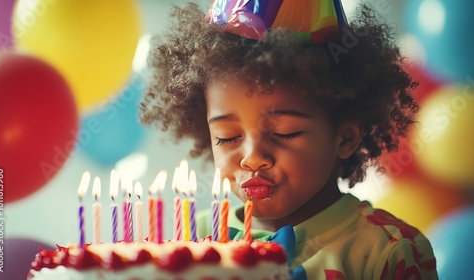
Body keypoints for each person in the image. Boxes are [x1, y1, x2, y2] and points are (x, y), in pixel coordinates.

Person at [140, 1, 438, 279]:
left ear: (345, 136)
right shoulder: (190, 235)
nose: (252, 157)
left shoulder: (387, 251)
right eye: (227, 137)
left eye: (285, 132)